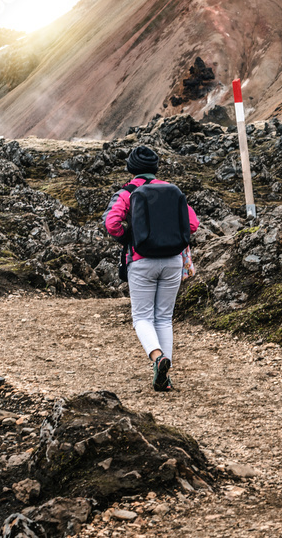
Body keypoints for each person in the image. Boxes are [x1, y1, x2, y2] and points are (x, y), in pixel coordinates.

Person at [104, 146, 199, 391]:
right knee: (164, 318)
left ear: (131, 168)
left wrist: (130, 236)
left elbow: (111, 223)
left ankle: (158, 359)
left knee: (142, 317)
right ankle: (164, 378)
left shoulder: (126, 193)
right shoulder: (172, 190)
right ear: (155, 168)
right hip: (172, 260)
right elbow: (193, 224)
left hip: (141, 260)